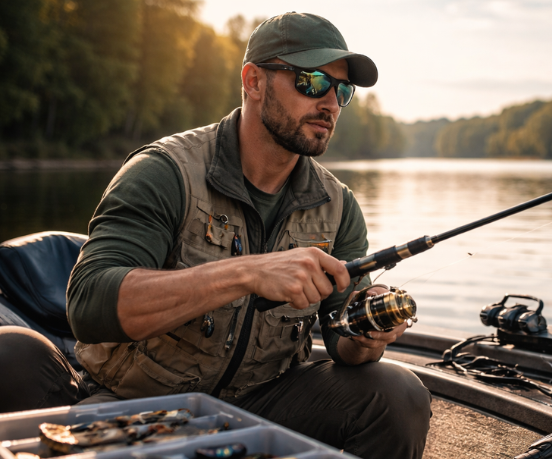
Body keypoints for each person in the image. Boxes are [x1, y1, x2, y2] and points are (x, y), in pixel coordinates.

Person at [0, 12, 431, 459]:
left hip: (267, 401)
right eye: (311, 82)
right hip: (138, 402)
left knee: (396, 393)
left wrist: (367, 335)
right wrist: (245, 272)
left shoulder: (339, 206)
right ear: (253, 81)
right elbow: (90, 304)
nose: (330, 104)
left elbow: (344, 341)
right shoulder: (164, 172)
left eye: (342, 91)